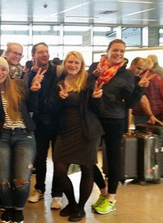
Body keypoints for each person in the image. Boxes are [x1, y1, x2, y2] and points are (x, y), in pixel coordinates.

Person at [90, 39, 152, 215]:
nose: (118, 54)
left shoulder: (127, 76)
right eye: (115, 50)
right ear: (108, 51)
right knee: (87, 158)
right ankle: (102, 191)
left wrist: (140, 89)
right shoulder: (96, 67)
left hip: (115, 119)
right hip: (93, 117)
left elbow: (130, 104)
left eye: (122, 51)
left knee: (114, 158)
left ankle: (111, 197)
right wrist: (94, 76)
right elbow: (87, 88)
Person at [0, 57, 42, 223]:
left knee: (22, 178)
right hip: (0, 137)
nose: (0, 72)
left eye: (3, 69)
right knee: (2, 179)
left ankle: (18, 208)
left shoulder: (19, 85)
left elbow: (32, 108)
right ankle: (8, 207)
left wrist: (35, 91)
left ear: (8, 71)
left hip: (24, 135)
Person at [51, 51, 104, 222]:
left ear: (81, 65)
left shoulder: (89, 81)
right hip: (65, 131)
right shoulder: (59, 83)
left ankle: (80, 208)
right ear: (65, 63)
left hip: (86, 130)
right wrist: (59, 99)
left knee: (87, 168)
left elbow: (98, 109)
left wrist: (96, 98)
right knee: (59, 169)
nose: (73, 65)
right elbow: (51, 108)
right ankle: (72, 203)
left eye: (76, 63)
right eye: (70, 62)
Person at [27, 42, 63, 210]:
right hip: (40, 121)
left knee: (59, 159)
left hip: (58, 120)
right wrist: (33, 87)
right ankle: (39, 188)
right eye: (40, 52)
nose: (44, 55)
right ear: (33, 55)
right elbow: (28, 101)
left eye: (46, 52)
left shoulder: (58, 72)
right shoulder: (29, 74)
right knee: (40, 158)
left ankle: (57, 193)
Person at [130, 57, 163, 125]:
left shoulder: (139, 78)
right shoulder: (157, 76)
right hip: (153, 110)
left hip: (140, 112)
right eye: (138, 68)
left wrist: (150, 115)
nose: (139, 71)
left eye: (142, 69)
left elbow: (143, 97)